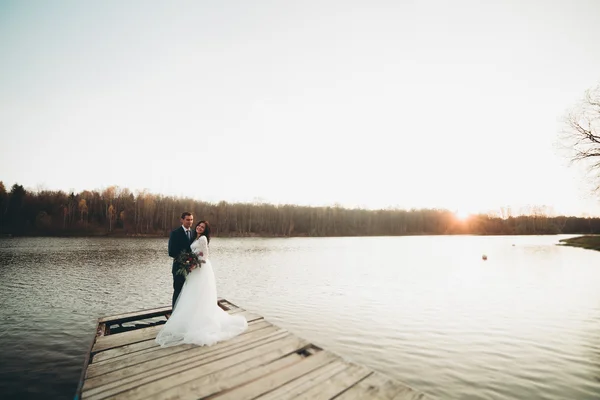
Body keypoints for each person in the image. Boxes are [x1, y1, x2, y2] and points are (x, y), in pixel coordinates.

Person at [156, 220, 248, 347]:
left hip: (201, 269)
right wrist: (190, 262)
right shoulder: (195, 236)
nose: (199, 227)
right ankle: (189, 319)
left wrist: (194, 263)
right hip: (194, 269)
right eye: (198, 225)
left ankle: (202, 321)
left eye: (202, 227)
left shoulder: (203, 239)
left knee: (199, 293)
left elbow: (205, 255)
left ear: (205, 229)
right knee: (191, 294)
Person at [168, 212, 196, 309]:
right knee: (178, 291)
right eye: (187, 219)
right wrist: (185, 259)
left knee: (189, 291)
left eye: (191, 220)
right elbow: (171, 252)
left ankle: (185, 312)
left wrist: (192, 262)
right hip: (179, 268)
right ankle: (174, 313)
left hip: (191, 269)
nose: (190, 222)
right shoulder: (175, 233)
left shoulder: (194, 233)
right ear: (182, 220)